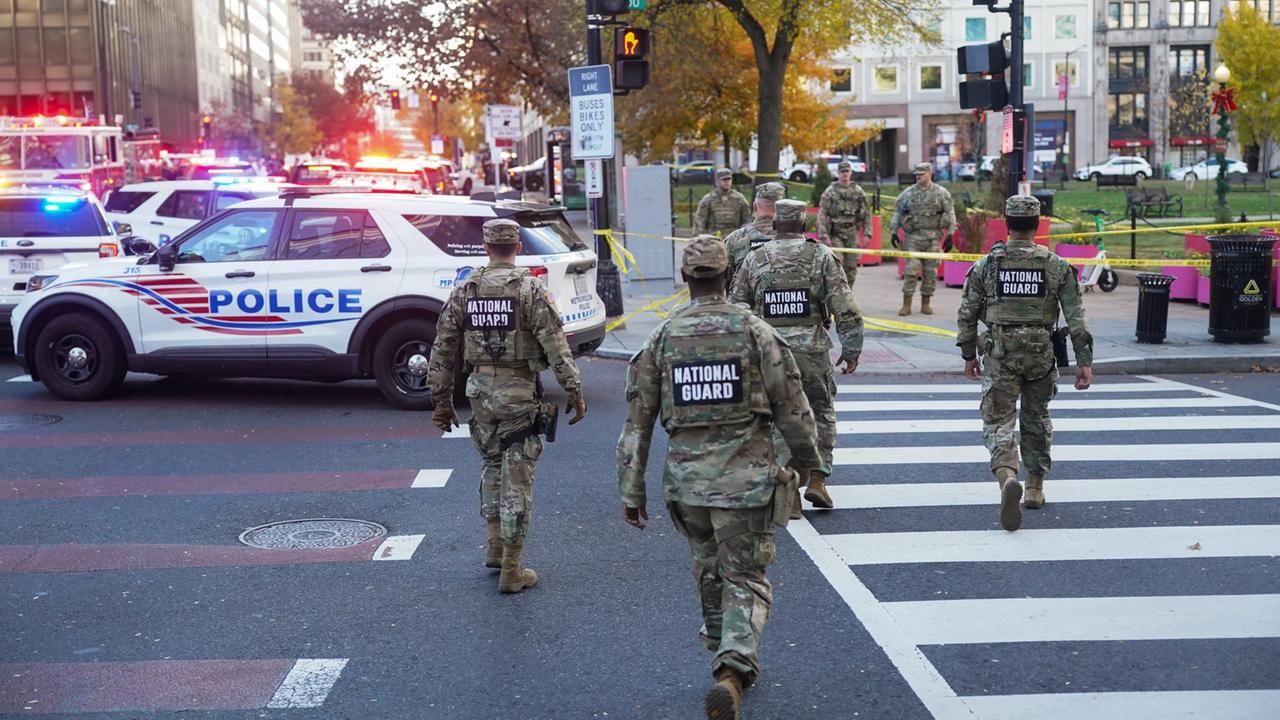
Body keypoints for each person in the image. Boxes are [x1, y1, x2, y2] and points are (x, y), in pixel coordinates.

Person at [618, 234, 824, 720]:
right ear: (729, 276)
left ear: (685, 279)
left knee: (708, 570)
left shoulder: (663, 337)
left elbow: (637, 421)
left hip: (687, 486)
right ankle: (733, 664)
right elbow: (792, 404)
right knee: (746, 576)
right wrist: (808, 460)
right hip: (746, 480)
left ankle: (723, 653)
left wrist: (631, 488)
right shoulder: (754, 331)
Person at [427, 218, 587, 592]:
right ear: (518, 247)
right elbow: (555, 345)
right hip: (518, 392)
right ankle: (512, 569)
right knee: (517, 474)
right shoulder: (530, 290)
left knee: (491, 465)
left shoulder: (466, 289)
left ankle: (495, 546)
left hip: (480, 393)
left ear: (486, 247)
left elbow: (443, 346)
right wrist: (574, 390)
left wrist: (439, 399)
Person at [956, 195, 1093, 531]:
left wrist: (968, 355)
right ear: (1037, 224)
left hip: (1001, 354)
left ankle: (1006, 477)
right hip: (1041, 355)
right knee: (1037, 416)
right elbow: (1076, 317)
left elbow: (967, 313)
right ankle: (1034, 487)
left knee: (998, 419)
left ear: (1006, 222)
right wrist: (1083, 361)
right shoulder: (1056, 266)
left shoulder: (987, 265)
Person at [730, 199, 863, 515]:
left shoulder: (755, 259)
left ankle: (786, 483)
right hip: (811, 354)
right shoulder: (820, 256)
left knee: (774, 417)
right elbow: (846, 307)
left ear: (775, 225)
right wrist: (851, 348)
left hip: (769, 353)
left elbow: (736, 306)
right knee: (820, 412)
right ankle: (818, 479)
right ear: (804, 226)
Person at [888, 162, 956, 316]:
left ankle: (926, 303)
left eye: (921, 173)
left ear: (929, 173)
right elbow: (898, 213)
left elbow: (950, 213)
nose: (918, 176)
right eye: (916, 174)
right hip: (913, 237)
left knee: (930, 272)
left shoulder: (941, 193)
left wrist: (950, 235)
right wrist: (893, 231)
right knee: (911, 270)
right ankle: (907, 304)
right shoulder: (908, 194)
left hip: (933, 238)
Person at [817, 161, 871, 287]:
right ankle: (836, 295)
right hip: (836, 233)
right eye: (842, 172)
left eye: (847, 171)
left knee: (851, 267)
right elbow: (822, 213)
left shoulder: (857, 191)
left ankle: (848, 295)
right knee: (836, 265)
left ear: (851, 173)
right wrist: (824, 235)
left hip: (852, 232)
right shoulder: (830, 191)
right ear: (838, 173)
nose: (845, 174)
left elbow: (866, 213)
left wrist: (868, 233)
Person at [723, 181, 785, 288]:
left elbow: (723, 278)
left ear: (755, 206)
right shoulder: (795, 238)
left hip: (744, 303)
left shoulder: (734, 240)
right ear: (782, 209)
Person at [694, 168, 751, 236]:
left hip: (734, 236)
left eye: (729, 179)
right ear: (717, 181)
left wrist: (746, 235)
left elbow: (747, 219)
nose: (727, 182)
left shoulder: (739, 198)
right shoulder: (709, 199)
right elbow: (700, 220)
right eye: (724, 180)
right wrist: (698, 238)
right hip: (714, 237)